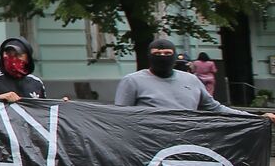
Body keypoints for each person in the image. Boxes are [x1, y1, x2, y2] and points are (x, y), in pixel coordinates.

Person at [116, 38, 275, 122]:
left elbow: (216, 109)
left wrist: (256, 118)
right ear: (149, 57)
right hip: (146, 147)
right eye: (157, 54)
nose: (163, 57)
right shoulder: (132, 81)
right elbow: (119, 119)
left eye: (167, 53)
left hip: (185, 145)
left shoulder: (191, 80)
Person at [0, 37, 47, 103]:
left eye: (18, 55)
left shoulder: (36, 83)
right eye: (8, 55)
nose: (13, 59)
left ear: (27, 58)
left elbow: (44, 112)